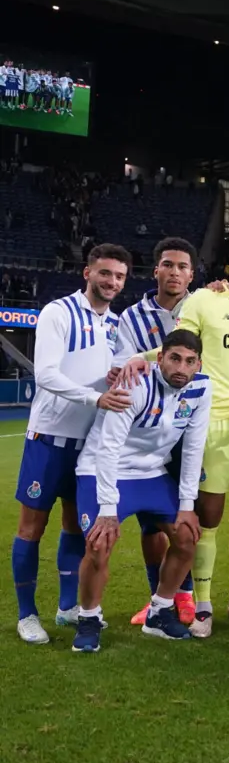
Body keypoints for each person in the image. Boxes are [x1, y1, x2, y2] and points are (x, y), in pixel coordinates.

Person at [121, 228, 229, 638]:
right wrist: (139, 358)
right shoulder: (204, 300)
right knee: (207, 519)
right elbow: (178, 349)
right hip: (212, 426)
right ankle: (203, 606)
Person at [11, 244, 130, 644]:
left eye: (119, 276)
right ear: (87, 273)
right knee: (31, 527)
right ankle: (27, 615)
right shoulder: (58, 312)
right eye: (105, 273)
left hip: (88, 447)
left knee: (76, 527)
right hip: (48, 439)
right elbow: (44, 374)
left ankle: (67, 608)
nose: (112, 282)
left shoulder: (117, 325)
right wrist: (96, 397)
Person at [71, 331, 211, 652]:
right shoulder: (133, 382)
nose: (181, 368)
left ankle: (159, 612)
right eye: (174, 358)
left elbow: (194, 447)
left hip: (152, 473)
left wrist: (187, 505)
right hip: (102, 469)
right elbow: (108, 446)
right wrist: (108, 509)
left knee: (187, 535)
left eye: (190, 361)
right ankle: (89, 618)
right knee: (99, 543)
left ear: (198, 365)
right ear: (159, 358)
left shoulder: (202, 388)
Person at [114, 237, 201, 628]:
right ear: (156, 271)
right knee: (151, 524)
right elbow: (124, 368)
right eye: (168, 264)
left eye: (182, 266)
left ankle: (185, 597)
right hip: (146, 429)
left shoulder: (204, 305)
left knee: (188, 515)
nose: (175, 272)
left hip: (188, 423)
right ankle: (158, 599)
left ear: (192, 275)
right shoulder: (132, 318)